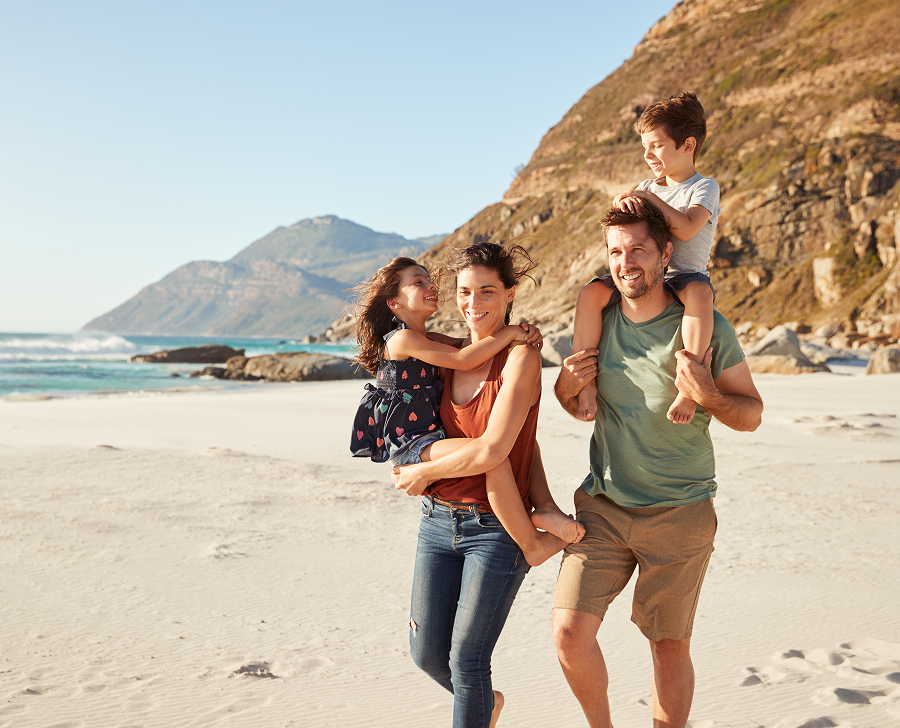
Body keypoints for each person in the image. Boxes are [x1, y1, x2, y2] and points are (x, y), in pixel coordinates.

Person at [553, 203, 763, 728]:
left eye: (639, 249)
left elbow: (751, 414)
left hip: (680, 512)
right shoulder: (598, 322)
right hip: (603, 506)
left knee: (667, 648)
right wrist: (563, 388)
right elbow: (577, 405)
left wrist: (709, 395)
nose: (626, 263)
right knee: (569, 632)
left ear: (666, 253)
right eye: (616, 252)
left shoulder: (705, 327)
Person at [391, 242, 583, 728]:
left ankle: (475, 708)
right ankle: (486, 707)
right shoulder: (449, 354)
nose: (473, 302)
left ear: (510, 293)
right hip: (436, 523)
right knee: (425, 652)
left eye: (487, 291)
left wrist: (424, 470)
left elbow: (497, 450)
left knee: (467, 661)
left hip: (496, 530)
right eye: (464, 291)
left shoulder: (520, 358)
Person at [351, 256, 582, 566]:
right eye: (418, 283)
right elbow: (464, 359)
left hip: (425, 447)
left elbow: (465, 347)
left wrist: (515, 336)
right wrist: (510, 332)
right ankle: (531, 543)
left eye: (429, 280)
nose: (429, 285)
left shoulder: (427, 340)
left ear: (508, 293)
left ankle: (545, 510)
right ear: (394, 303)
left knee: (498, 448)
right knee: (491, 457)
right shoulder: (405, 339)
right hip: (413, 445)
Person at [572, 91, 721, 425]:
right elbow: (623, 222)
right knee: (589, 293)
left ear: (688, 145)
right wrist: (624, 200)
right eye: (644, 147)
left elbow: (684, 229)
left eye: (656, 145)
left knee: (700, 295)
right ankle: (585, 382)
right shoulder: (647, 186)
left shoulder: (704, 188)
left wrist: (645, 196)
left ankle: (689, 387)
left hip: (683, 275)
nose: (648, 154)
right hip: (643, 271)